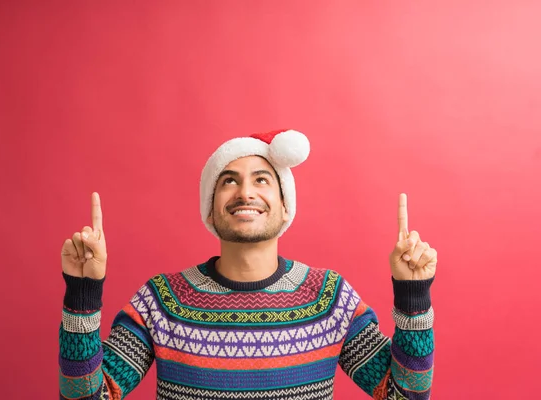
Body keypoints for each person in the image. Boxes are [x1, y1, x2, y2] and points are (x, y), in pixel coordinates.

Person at [58, 129, 436, 400]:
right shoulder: (162, 299)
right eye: (229, 181)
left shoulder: (328, 297)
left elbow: (404, 395)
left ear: (285, 204)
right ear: (210, 205)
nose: (246, 193)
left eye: (261, 179)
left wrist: (413, 298)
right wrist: (83, 294)